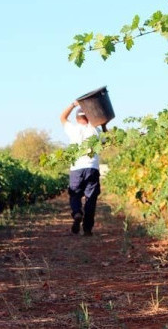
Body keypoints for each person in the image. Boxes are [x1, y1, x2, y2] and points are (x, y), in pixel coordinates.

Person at [60, 101, 101, 236]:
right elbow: (108, 138)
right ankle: (87, 229)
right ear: (89, 117)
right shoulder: (96, 130)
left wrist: (73, 105)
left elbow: (62, 117)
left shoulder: (73, 129)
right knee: (91, 198)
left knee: (75, 194)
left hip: (76, 168)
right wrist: (104, 124)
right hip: (92, 168)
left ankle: (77, 212)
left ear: (77, 119)